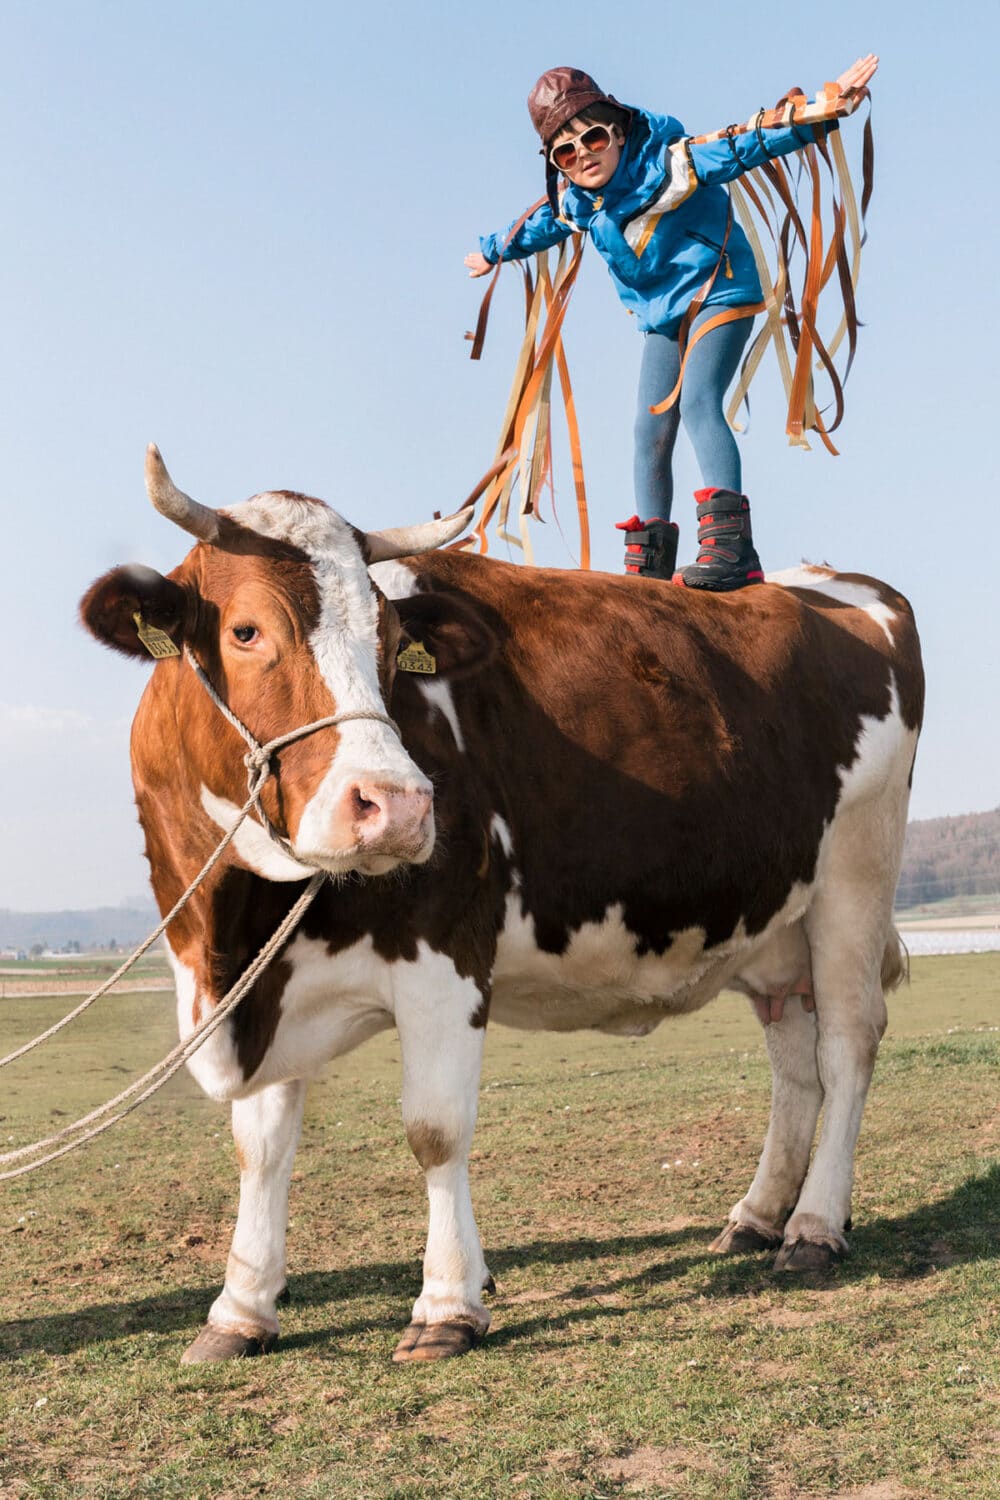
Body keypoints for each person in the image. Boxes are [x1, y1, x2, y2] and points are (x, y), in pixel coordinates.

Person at [466, 57, 878, 591]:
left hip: (720, 291)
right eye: (565, 151)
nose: (583, 155)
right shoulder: (580, 203)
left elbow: (746, 145)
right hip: (662, 316)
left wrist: (820, 110)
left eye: (591, 138)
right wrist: (493, 252)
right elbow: (539, 225)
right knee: (649, 429)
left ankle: (732, 549)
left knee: (699, 401)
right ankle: (652, 561)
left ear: (617, 130)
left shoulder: (673, 163)